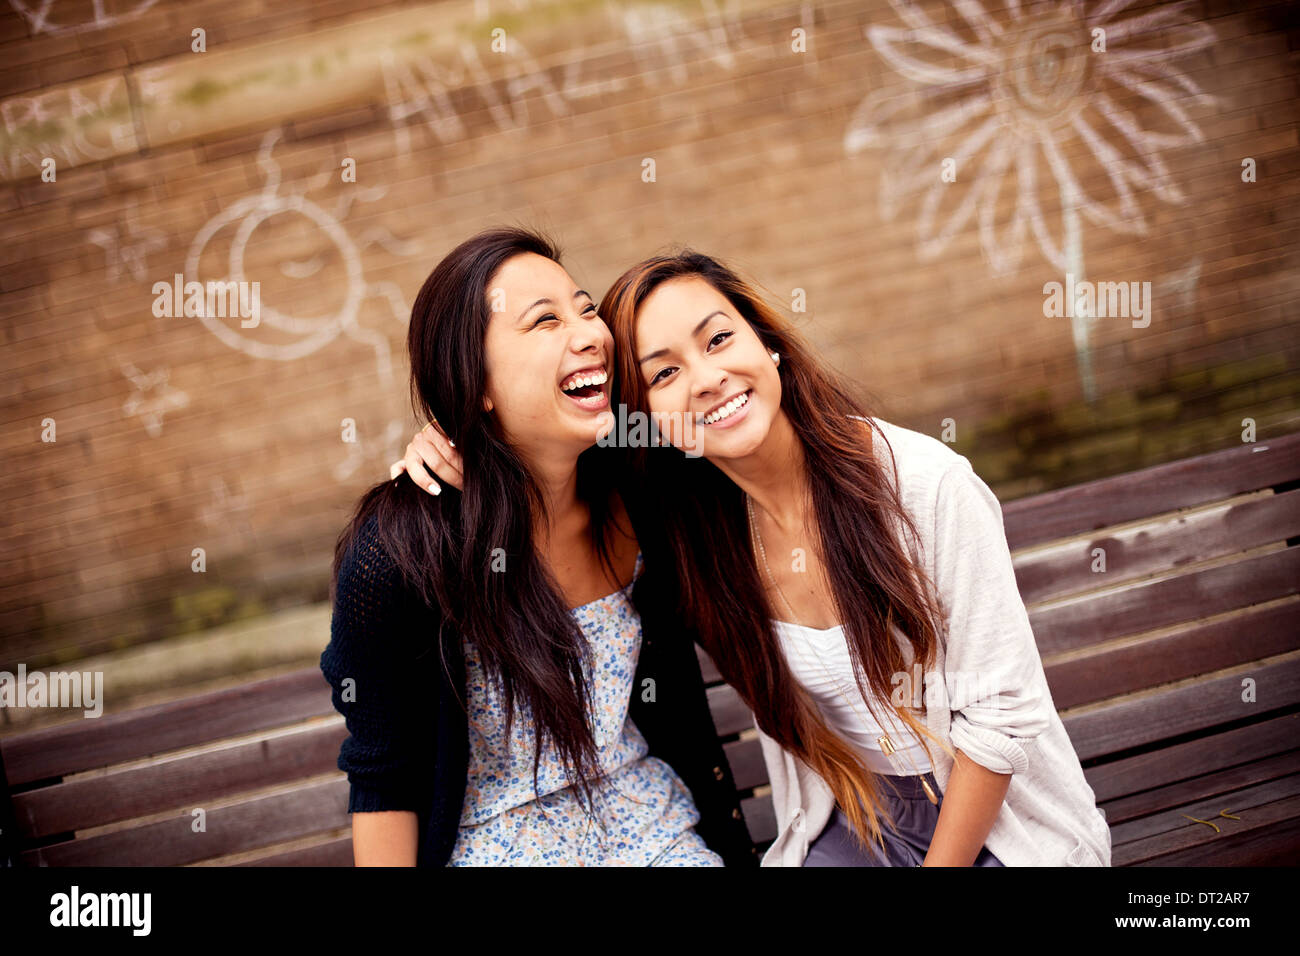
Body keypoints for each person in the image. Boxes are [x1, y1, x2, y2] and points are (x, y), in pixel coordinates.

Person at [397, 247, 1113, 867]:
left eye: (717, 340)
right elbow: (542, 451)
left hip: (993, 824)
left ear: (765, 341)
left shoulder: (924, 487)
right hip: (857, 821)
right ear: (648, 418)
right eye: (665, 375)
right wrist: (449, 431)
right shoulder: (690, 528)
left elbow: (1001, 722)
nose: (707, 379)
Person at [322, 227, 756, 866]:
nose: (590, 333)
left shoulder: (641, 487)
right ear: (478, 384)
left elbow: (753, 423)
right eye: (544, 321)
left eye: (585, 309)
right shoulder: (398, 558)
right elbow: (383, 774)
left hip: (654, 832)